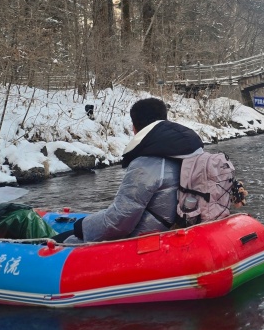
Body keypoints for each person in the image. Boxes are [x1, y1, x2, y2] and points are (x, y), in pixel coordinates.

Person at [76, 97, 203, 242]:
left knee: (68, 236)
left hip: (145, 241)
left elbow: (119, 222)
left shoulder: (144, 165)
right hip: (172, 231)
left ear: (135, 127)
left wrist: (82, 226)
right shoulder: (188, 153)